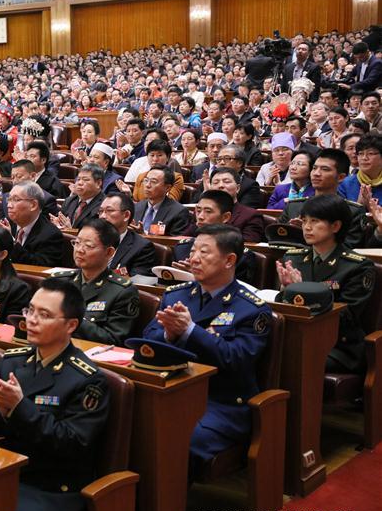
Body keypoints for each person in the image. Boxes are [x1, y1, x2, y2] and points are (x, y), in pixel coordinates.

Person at [0, 278, 110, 511]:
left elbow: (72, 444)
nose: (32, 320)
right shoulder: (14, 361)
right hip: (7, 474)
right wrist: (5, 411)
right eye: (30, 311)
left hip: (54, 490)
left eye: (44, 315)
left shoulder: (88, 380)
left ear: (71, 325)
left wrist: (19, 408)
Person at [143, 224, 270, 471]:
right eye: (192, 251)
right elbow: (149, 338)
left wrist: (191, 331)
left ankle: (170, 506)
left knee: (174, 439)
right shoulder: (175, 295)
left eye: (204, 252)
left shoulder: (252, 308)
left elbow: (236, 360)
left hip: (221, 403)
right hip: (173, 390)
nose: (194, 259)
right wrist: (170, 335)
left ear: (229, 260)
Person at [276, 195, 375, 373]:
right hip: (297, 337)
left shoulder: (357, 266)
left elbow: (347, 318)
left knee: (291, 361)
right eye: (304, 220)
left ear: (336, 226)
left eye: (315, 221)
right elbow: (282, 305)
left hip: (338, 346)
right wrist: (285, 289)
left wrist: (303, 291)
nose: (307, 227)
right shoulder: (293, 258)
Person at [65, 219, 140, 345]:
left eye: (88, 246)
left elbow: (114, 340)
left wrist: (69, 317)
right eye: (77, 243)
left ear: (109, 252)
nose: (79, 250)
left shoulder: (123, 292)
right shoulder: (60, 281)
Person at [279, 148, 367, 248]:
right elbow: (277, 239)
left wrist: (305, 234)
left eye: (325, 169)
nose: (316, 173)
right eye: (314, 168)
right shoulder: (294, 206)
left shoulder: (353, 211)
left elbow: (350, 248)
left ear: (341, 177)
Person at [173, 190, 259, 285]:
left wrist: (197, 276)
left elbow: (237, 291)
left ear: (226, 217)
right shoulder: (182, 247)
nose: (200, 216)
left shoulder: (241, 256)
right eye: (198, 211)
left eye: (208, 211)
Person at [0, 181, 66, 267]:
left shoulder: (51, 234)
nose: (9, 205)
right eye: (9, 199)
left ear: (33, 205)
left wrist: (11, 242)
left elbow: (39, 268)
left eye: (16, 200)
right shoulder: (6, 223)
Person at [95, 192, 157, 277]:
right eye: (101, 211)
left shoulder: (142, 248)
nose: (102, 216)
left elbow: (136, 285)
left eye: (109, 210)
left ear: (126, 215)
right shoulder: (91, 239)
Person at [209, 167, 265, 242]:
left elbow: (248, 244)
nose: (221, 185)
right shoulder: (201, 213)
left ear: (238, 188)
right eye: (216, 183)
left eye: (227, 182)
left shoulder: (251, 215)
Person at [133, 166, 192, 236]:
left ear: (167, 188)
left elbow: (174, 243)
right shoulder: (137, 207)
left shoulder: (178, 212)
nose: (147, 185)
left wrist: (145, 237)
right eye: (146, 180)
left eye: (153, 182)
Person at [55, 164, 105, 230]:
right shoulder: (69, 201)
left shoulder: (104, 205)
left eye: (85, 180)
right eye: (78, 179)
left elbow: (98, 233)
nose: (80, 183)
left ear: (98, 183)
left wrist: (71, 231)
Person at [338, 134, 382, 205]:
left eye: (370, 153)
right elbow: (341, 214)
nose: (364, 158)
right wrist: (359, 205)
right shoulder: (346, 184)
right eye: (360, 154)